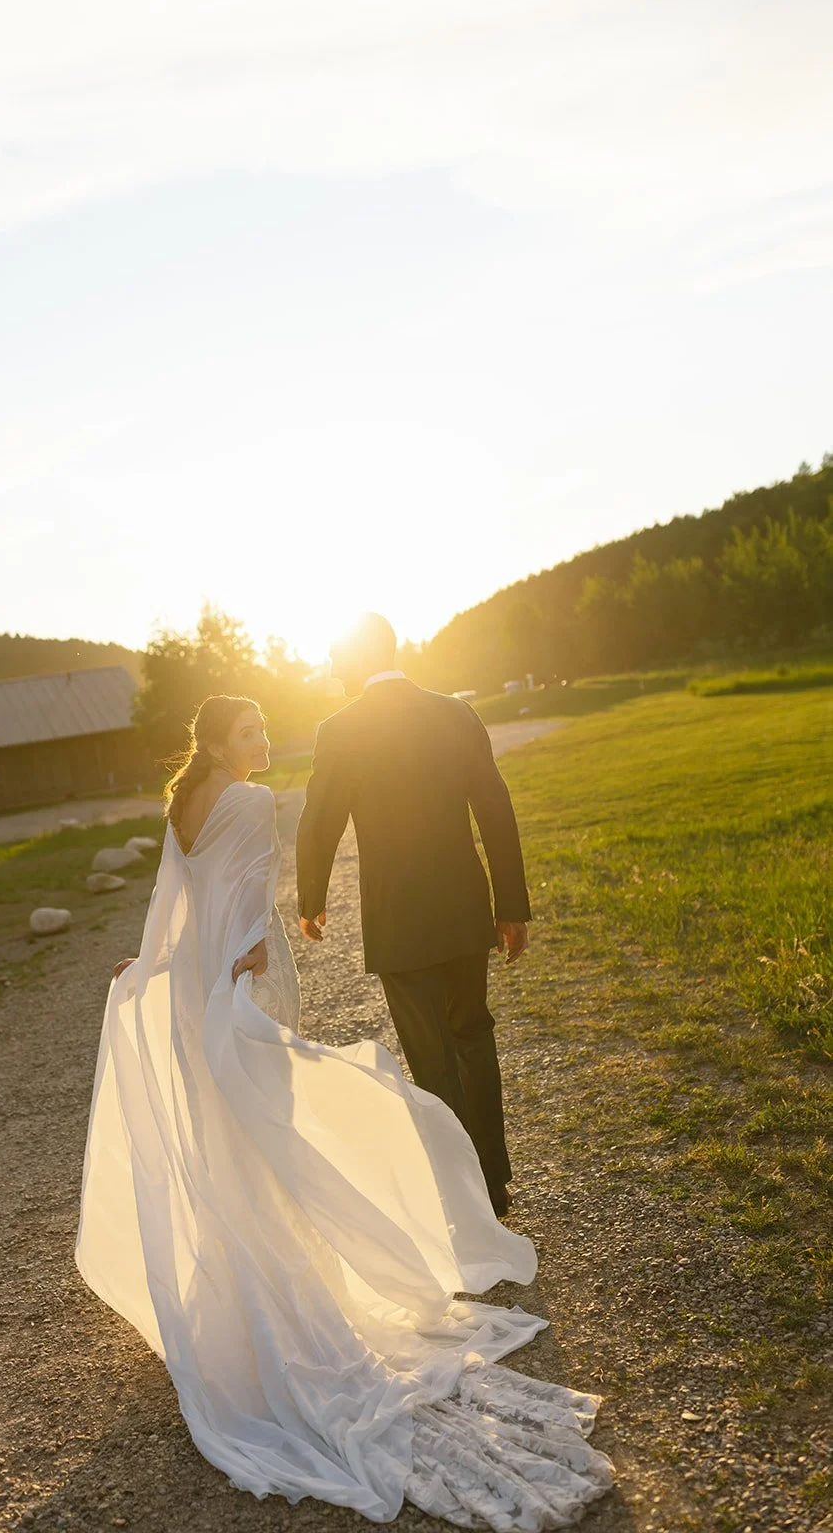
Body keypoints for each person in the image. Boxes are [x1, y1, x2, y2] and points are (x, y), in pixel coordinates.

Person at [76, 694, 612, 1528]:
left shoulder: (182, 801)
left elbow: (174, 905)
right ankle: (297, 1268)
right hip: (240, 972)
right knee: (273, 1114)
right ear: (217, 742)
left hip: (190, 984)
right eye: (249, 733)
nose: (262, 743)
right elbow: (248, 892)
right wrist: (251, 961)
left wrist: (151, 967)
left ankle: (237, 1269)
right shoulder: (250, 800)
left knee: (227, 1126)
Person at [297, 613, 529, 1216]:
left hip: (397, 916)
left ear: (350, 661)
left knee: (431, 1054)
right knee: (473, 1033)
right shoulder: (456, 713)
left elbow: (319, 817)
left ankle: (462, 1190)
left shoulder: (340, 728)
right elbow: (495, 809)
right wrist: (511, 906)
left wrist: (311, 899)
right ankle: (494, 1181)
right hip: (462, 905)